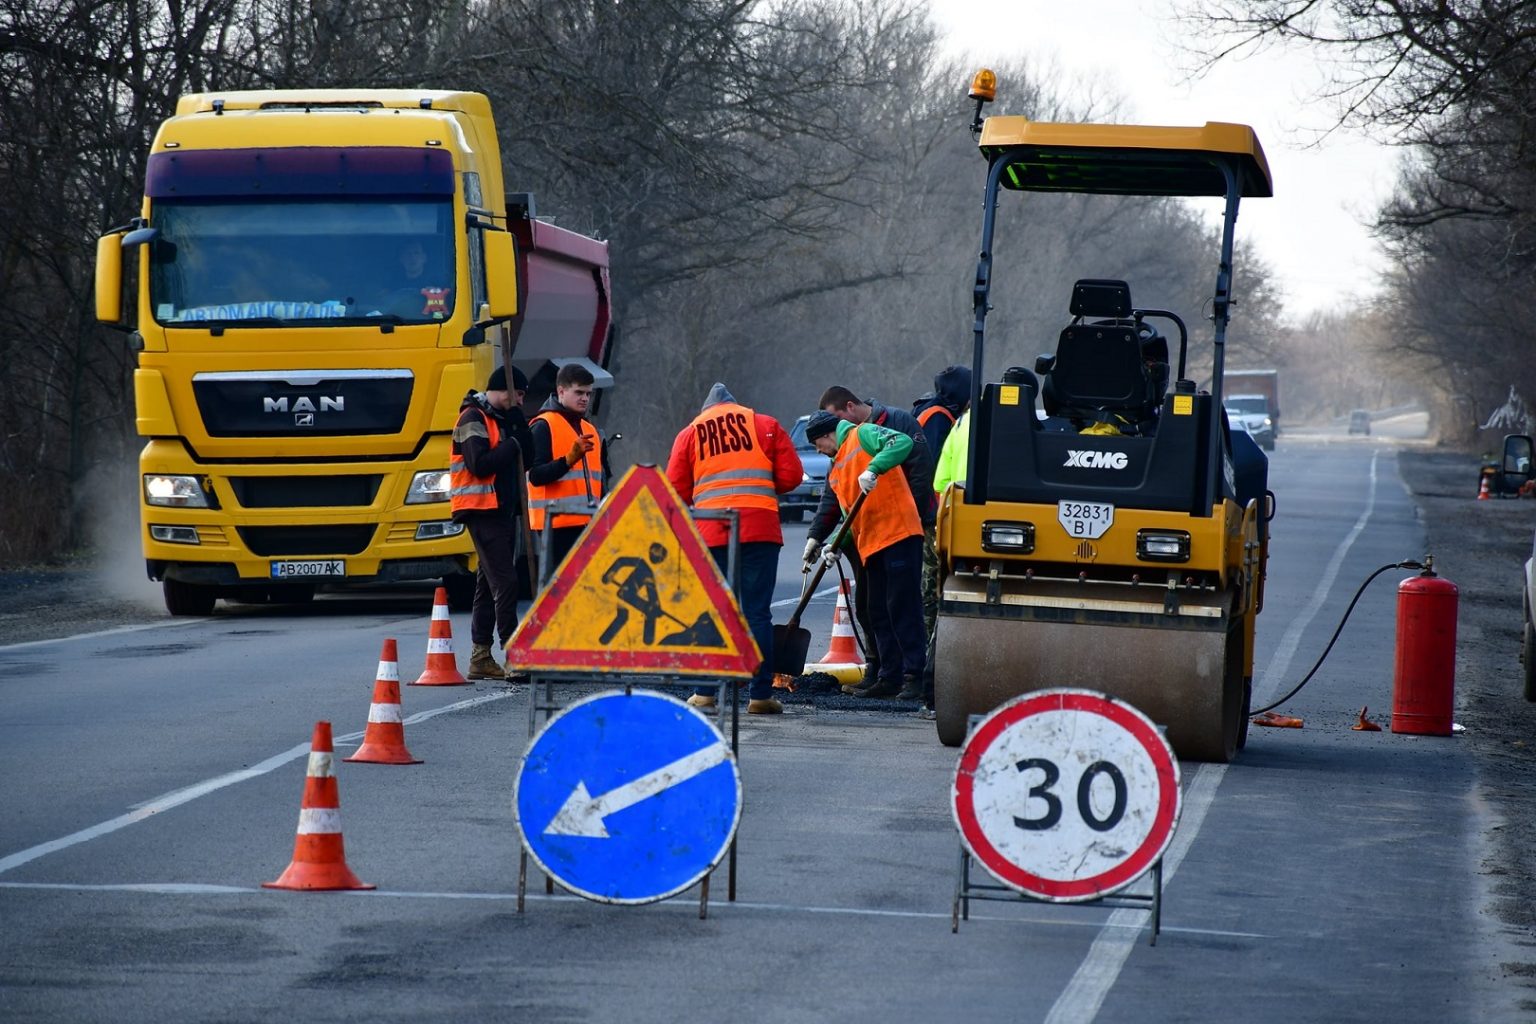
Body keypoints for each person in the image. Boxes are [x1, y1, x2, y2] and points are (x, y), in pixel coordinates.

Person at [667, 383, 803, 714]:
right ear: (735, 405)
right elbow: (792, 477)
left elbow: (674, 489)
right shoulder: (765, 425)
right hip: (759, 530)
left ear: (706, 409)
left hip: (713, 532)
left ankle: (705, 693)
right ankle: (759, 696)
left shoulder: (691, 433)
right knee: (756, 613)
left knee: (713, 612)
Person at [807, 386, 934, 697]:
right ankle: (889, 677)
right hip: (872, 543)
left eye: (818, 444)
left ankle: (915, 676)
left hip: (899, 533)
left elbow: (902, 443)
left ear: (828, 433)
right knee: (877, 609)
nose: (820, 451)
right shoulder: (836, 469)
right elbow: (852, 515)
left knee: (902, 606)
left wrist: (875, 467)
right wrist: (830, 544)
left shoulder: (863, 434)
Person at [451, 364, 534, 681]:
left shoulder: (501, 419)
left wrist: (520, 430)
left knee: (488, 585)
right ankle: (513, 656)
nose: (520, 401)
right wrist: (512, 443)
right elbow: (479, 464)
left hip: (501, 510)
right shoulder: (472, 417)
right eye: (518, 394)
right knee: (506, 582)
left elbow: (530, 457)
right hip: (481, 508)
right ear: (502, 389)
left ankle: (481, 656)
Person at [910, 365, 971, 716]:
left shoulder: (952, 419)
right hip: (941, 520)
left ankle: (929, 681)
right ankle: (929, 680)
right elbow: (933, 474)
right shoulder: (941, 419)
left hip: (943, 517)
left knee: (933, 593)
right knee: (935, 596)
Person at [527, 363, 606, 572]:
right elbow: (535, 475)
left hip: (588, 524)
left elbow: (600, 481)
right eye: (579, 392)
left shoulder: (590, 429)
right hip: (555, 526)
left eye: (588, 394)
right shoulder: (543, 426)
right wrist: (568, 460)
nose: (585, 399)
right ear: (561, 391)